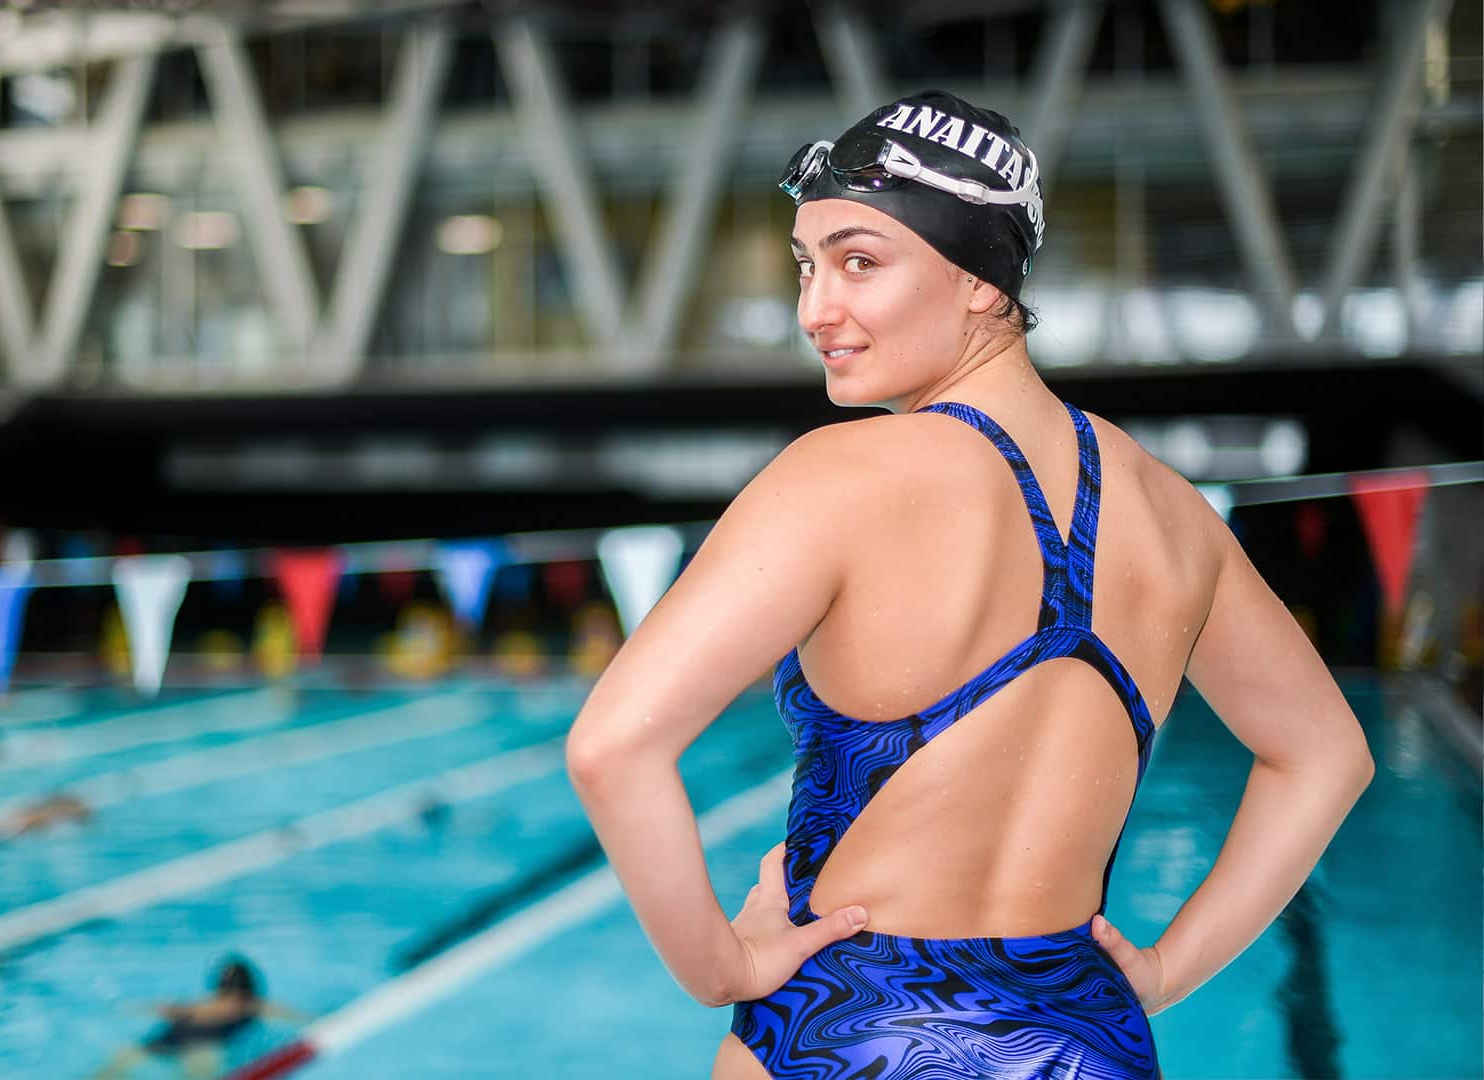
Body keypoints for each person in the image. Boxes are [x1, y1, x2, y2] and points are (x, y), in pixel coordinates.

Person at [563, 89, 1374, 1079]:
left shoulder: (840, 476)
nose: (817, 308)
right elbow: (1326, 756)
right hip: (1088, 1039)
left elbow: (613, 747)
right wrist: (1162, 972)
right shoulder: (1173, 515)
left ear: (984, 281)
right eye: (807, 265)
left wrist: (722, 966)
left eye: (861, 261)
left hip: (846, 1024)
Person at [90, 957, 304, 1080]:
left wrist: (129, 1008)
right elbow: (298, 1020)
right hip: (202, 1044)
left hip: (171, 1034)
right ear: (250, 988)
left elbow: (161, 1009)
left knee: (113, 1069)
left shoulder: (202, 1002)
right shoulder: (252, 1004)